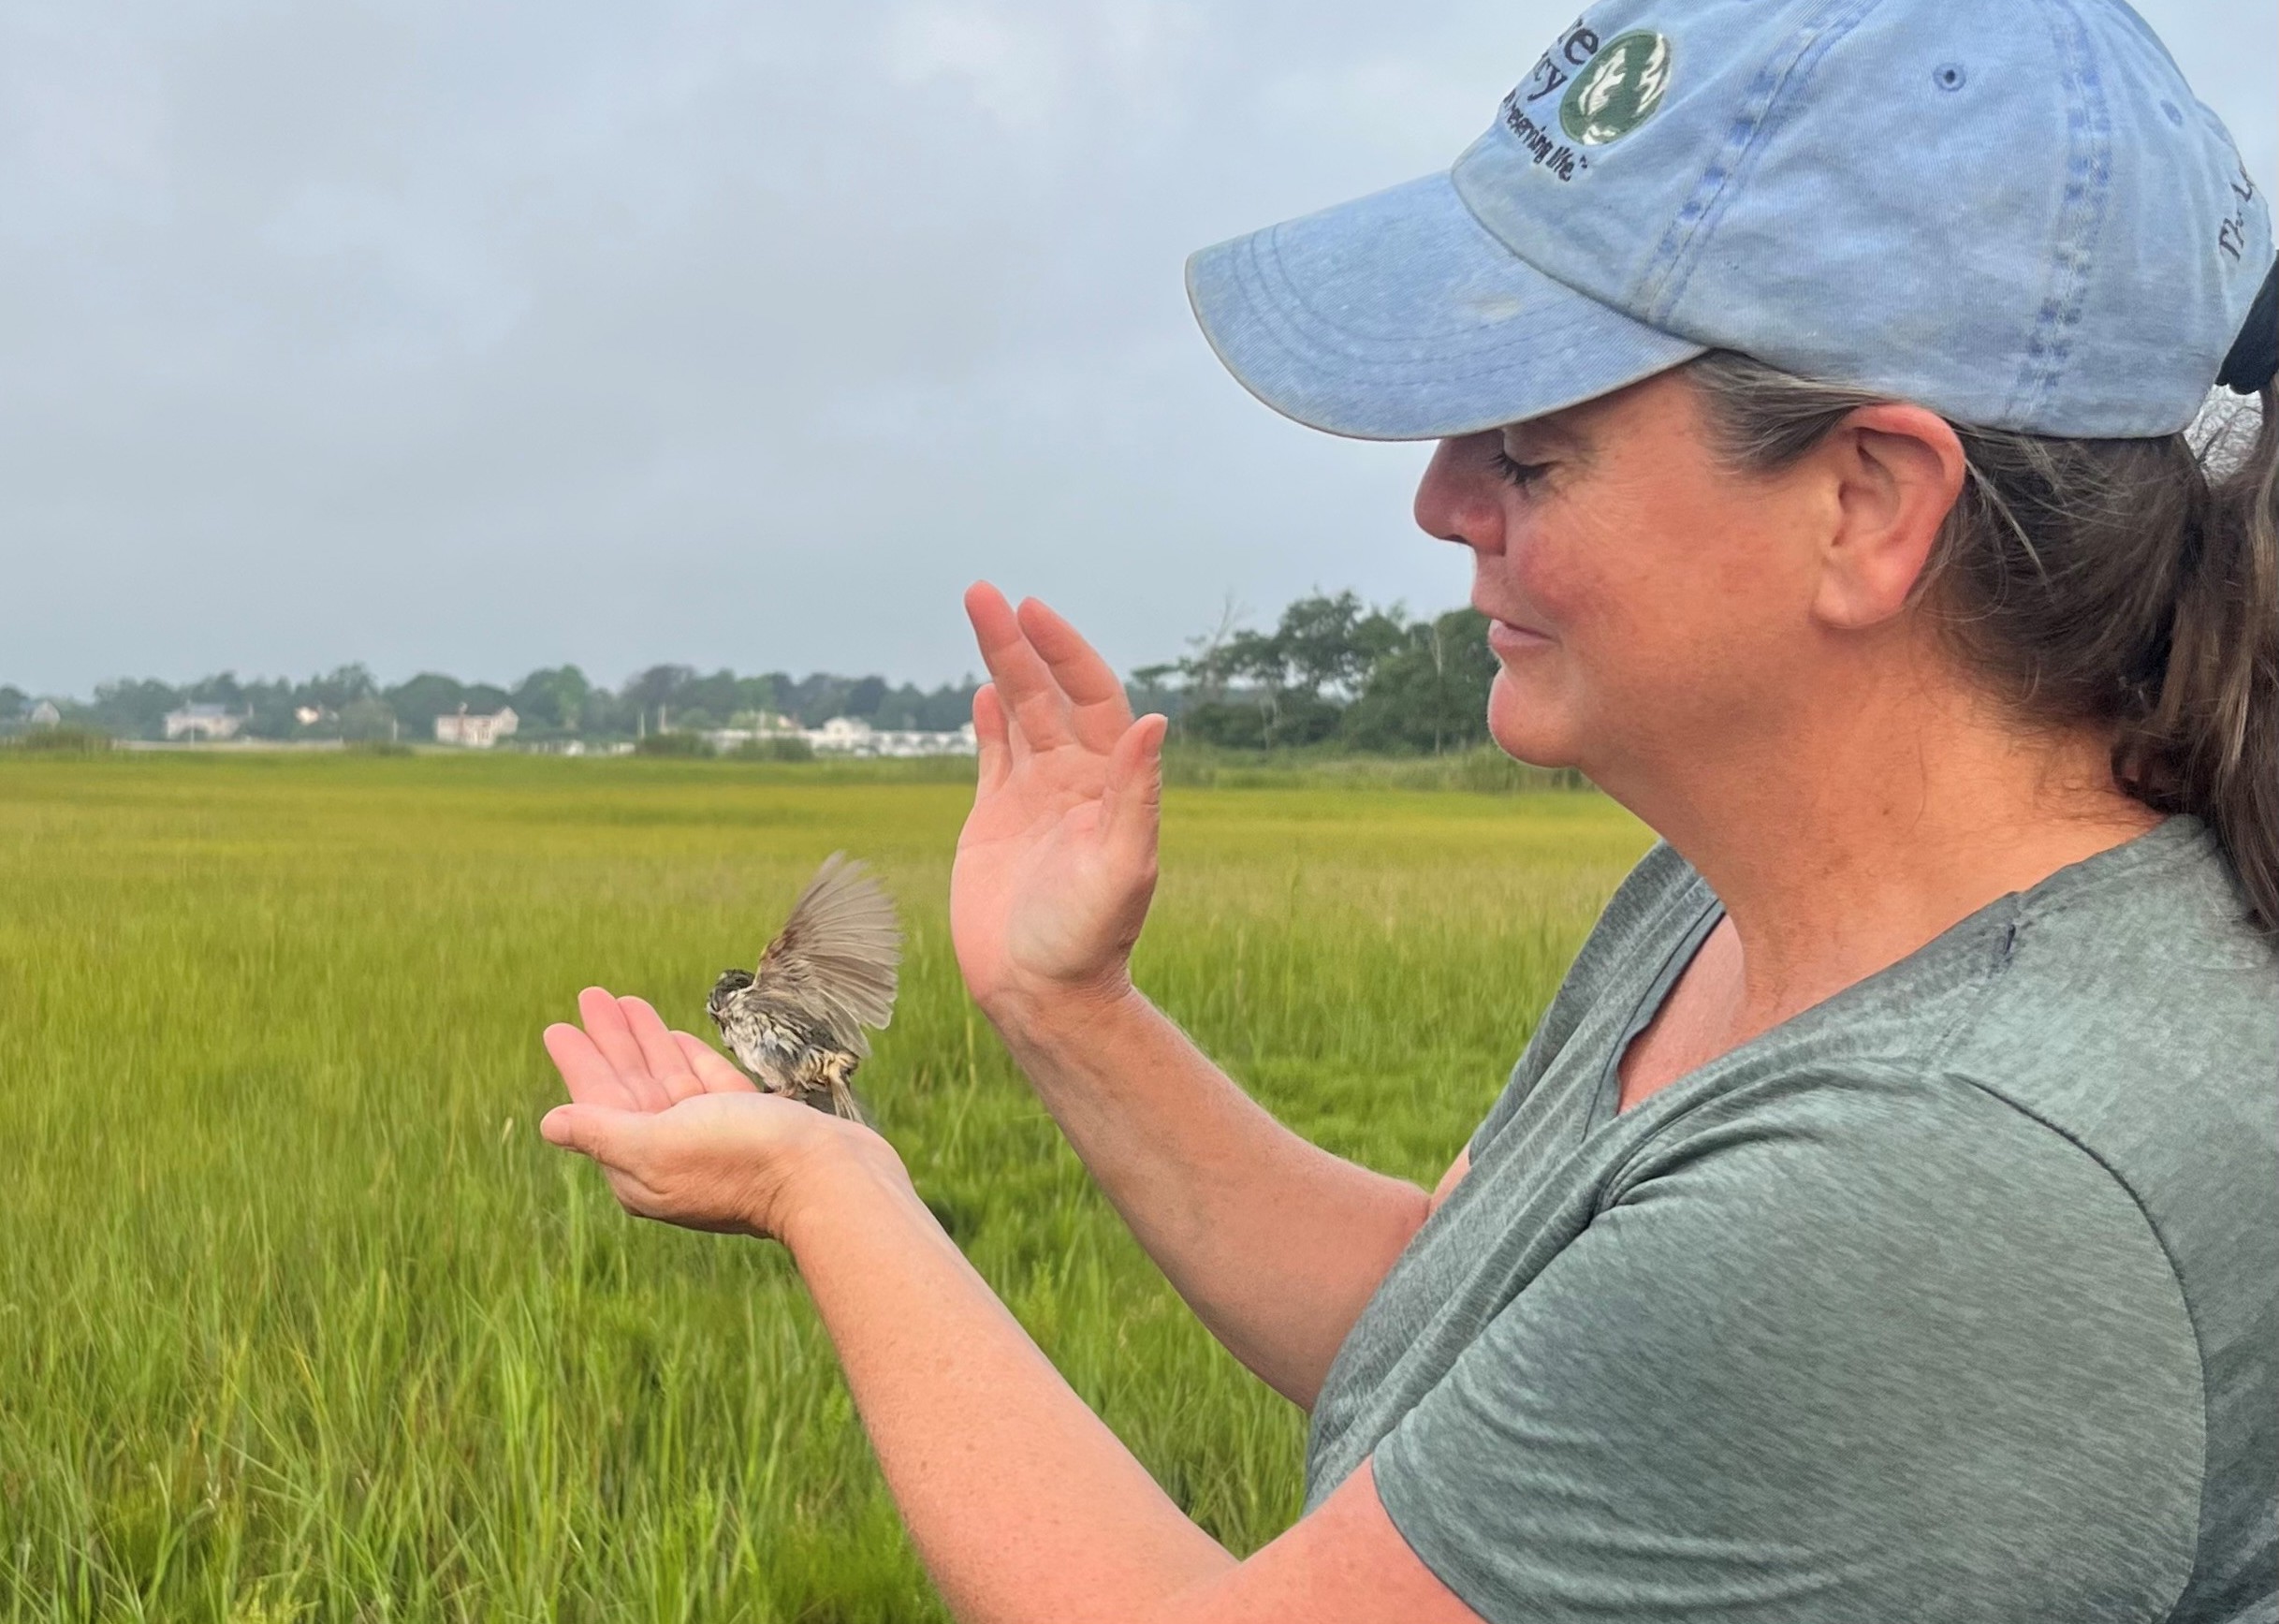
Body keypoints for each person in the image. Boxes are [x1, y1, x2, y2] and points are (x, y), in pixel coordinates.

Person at [535, 0, 2278, 1618]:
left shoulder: (1952, 1190)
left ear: (1867, 500)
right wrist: (1068, 1011)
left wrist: (823, 1191)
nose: (1443, 497)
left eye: (1535, 446)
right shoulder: (1755, 888)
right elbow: (1479, 1350)